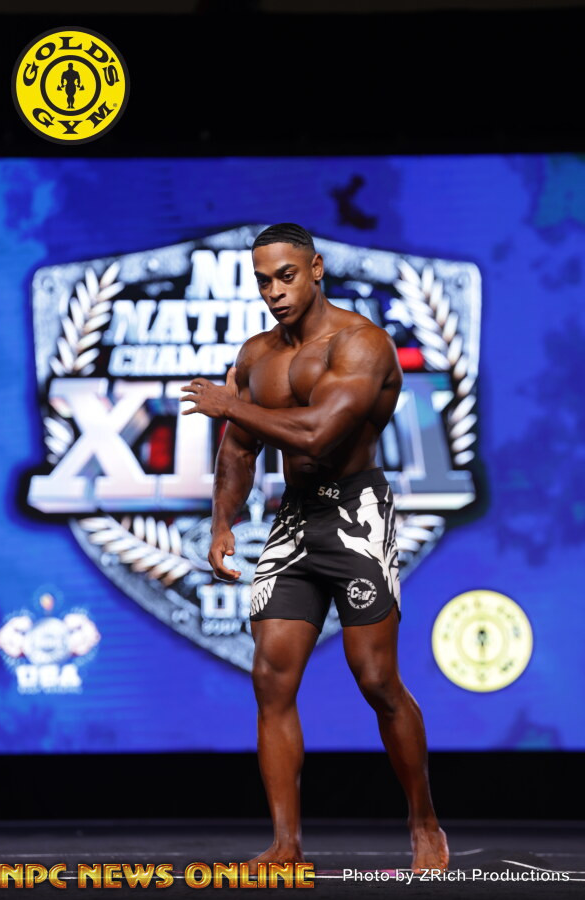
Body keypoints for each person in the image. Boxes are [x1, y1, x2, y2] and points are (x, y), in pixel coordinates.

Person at [179, 223, 449, 874]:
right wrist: (222, 523)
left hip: (356, 513)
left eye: (286, 276)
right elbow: (239, 450)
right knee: (270, 678)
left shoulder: (361, 344)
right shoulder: (256, 355)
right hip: (296, 519)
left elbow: (319, 435)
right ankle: (286, 846)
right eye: (263, 281)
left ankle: (424, 822)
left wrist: (229, 405)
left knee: (376, 679)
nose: (274, 291)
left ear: (316, 268)